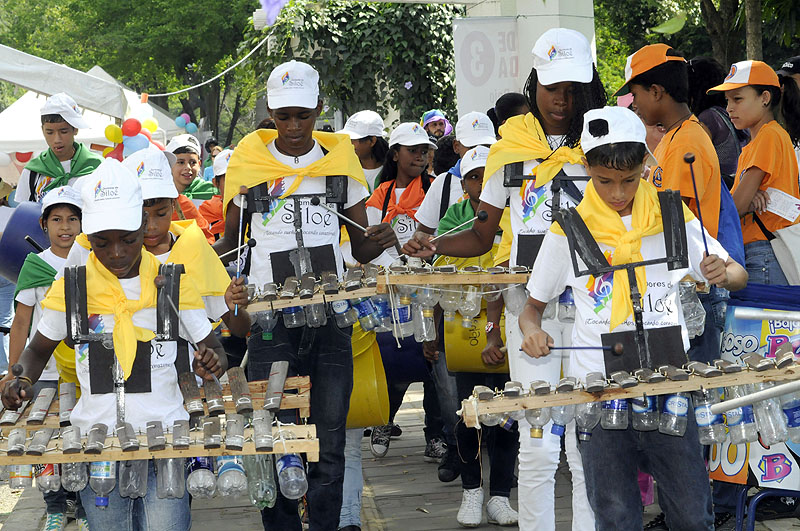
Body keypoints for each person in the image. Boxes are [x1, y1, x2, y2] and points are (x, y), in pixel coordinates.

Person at [405, 27, 605, 531]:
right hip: (526, 308)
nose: (562, 100)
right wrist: (435, 246)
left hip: (595, 304)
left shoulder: (604, 141)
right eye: (553, 87)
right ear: (534, 85)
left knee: (586, 441)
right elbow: (482, 234)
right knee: (538, 442)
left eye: (573, 89)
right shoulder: (509, 147)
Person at [520, 105, 747, 530]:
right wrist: (532, 331)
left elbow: (737, 273)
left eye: (628, 179)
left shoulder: (672, 216)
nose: (617, 193)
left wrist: (723, 271)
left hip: (670, 386)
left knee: (693, 515)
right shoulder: (569, 229)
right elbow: (532, 307)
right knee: (616, 516)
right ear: (587, 169)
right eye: (604, 181)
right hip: (599, 390)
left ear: (645, 163)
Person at [214, 59, 397, 530]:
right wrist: (179, 258)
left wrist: (385, 238)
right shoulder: (248, 166)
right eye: (283, 116)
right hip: (269, 322)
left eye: (303, 115)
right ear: (270, 113)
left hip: (331, 317)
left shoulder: (340, 164)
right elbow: (231, 244)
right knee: (274, 439)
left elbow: (359, 244)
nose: (294, 127)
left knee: (328, 442)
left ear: (319, 109)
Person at [1, 159, 227, 531]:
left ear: (142, 226)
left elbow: (214, 348)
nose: (117, 253)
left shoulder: (170, 282)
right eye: (102, 243)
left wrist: (211, 362)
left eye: (128, 239)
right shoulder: (73, 286)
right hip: (98, 442)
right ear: (87, 237)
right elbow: (38, 350)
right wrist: (21, 378)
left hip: (165, 439)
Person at [439, 146, 519, 527]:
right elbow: (439, 275)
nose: (481, 184)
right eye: (473, 177)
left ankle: (499, 496)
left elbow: (502, 277)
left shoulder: (514, 214)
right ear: (464, 184)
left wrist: (494, 332)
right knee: (467, 415)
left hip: (508, 330)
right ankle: (471, 491)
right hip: (463, 330)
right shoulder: (454, 220)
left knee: (507, 415)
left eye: (487, 177)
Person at [5, 186, 87, 531]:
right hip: (45, 371)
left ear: (83, 223)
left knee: (80, 437)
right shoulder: (35, 265)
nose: (64, 227)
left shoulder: (92, 261)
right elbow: (21, 321)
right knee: (45, 440)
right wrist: (15, 371)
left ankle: (83, 507)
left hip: (84, 370)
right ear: (43, 224)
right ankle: (54, 506)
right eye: (56, 219)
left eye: (72, 219)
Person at [709, 60, 800, 286]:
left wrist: (742, 201)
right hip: (762, 250)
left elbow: (735, 207)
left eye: (738, 99)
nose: (729, 108)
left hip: (765, 252)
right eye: (727, 100)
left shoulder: (769, 136)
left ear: (765, 98)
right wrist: (742, 200)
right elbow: (739, 203)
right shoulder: (760, 141)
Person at [414, 112, 497, 236]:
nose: (480, 152)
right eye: (472, 147)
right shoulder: (443, 183)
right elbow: (422, 233)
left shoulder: (505, 179)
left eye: (486, 146)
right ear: (456, 146)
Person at [17, 93, 103, 203]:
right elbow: (24, 210)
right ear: (42, 130)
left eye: (64, 131)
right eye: (50, 132)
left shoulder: (97, 167)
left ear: (75, 129)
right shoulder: (32, 171)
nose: (57, 139)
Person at [688, 57, 750, 189]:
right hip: (739, 183)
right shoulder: (729, 113)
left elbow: (696, 161)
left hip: (721, 188)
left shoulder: (709, 118)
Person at [164, 134, 216, 242]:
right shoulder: (161, 196)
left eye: (193, 163)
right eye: (181, 162)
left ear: (199, 164)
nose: (187, 168)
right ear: (169, 164)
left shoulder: (212, 191)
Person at [338, 110, 389, 193]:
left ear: (372, 141)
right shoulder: (345, 171)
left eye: (353, 140)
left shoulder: (395, 171)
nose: (349, 144)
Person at [199, 148, 234, 239]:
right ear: (216, 183)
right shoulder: (206, 212)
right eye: (229, 179)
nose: (235, 184)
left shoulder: (255, 211)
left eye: (240, 177)